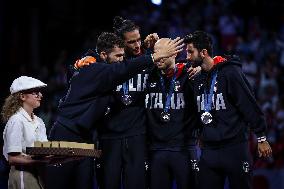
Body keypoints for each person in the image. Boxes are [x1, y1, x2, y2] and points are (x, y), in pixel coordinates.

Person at [45, 32, 184, 189]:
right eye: (118, 56)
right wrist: (152, 56)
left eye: (123, 55)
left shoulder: (97, 67)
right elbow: (123, 69)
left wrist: (146, 49)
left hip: (86, 137)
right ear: (104, 55)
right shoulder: (94, 69)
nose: (121, 59)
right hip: (65, 134)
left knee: (84, 184)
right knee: (57, 184)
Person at [184, 30, 272, 189]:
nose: (187, 56)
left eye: (190, 52)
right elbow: (197, 110)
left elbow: (248, 104)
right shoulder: (196, 79)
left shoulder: (230, 72)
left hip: (235, 148)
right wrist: (199, 132)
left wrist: (261, 137)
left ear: (203, 52)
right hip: (209, 151)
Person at [145, 38, 200, 189]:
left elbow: (219, 64)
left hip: (184, 148)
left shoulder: (189, 74)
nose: (158, 57)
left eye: (163, 53)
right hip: (155, 150)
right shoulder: (148, 75)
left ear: (174, 53)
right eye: (156, 53)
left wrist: (201, 68)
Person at [2, 76, 48, 189]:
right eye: (35, 93)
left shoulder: (39, 121)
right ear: (22, 96)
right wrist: (40, 160)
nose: (40, 95)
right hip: (23, 175)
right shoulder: (16, 120)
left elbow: (44, 151)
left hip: (39, 175)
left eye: (40, 92)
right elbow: (12, 158)